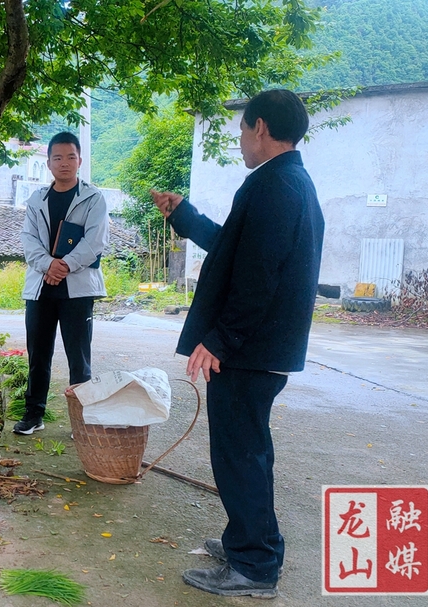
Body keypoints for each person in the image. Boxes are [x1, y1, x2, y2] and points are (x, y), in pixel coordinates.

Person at [151, 89, 324, 598]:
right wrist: (183, 215)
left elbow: (258, 276)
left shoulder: (275, 185)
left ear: (261, 127)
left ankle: (254, 566)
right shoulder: (287, 181)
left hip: (250, 349)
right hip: (261, 347)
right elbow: (235, 247)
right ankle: (251, 543)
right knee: (249, 451)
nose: (242, 140)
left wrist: (221, 340)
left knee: (240, 454)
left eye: (243, 130)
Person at [15, 131, 110, 434]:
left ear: (80, 160)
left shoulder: (93, 198)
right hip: (41, 288)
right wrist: (49, 265)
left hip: (78, 290)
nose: (64, 163)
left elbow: (95, 241)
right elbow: (28, 240)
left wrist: (65, 265)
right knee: (38, 354)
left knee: (79, 358)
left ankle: (81, 421)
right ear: (48, 163)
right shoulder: (36, 200)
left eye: (71, 157)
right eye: (58, 157)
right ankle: (34, 414)